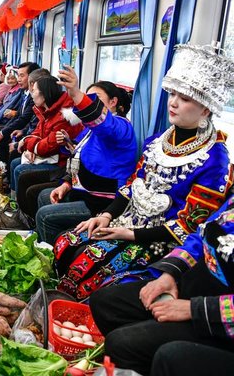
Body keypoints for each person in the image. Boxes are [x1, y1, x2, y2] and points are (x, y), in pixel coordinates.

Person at [54, 44, 234, 300]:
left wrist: (129, 234)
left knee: (89, 263)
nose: (173, 103)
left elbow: (191, 224)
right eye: (172, 94)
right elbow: (130, 186)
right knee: (65, 242)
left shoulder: (215, 160)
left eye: (184, 99)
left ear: (205, 109)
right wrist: (106, 216)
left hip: (163, 240)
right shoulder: (157, 141)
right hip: (126, 220)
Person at [90, 195, 234, 375]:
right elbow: (200, 235)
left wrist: (194, 309)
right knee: (106, 302)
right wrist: (170, 274)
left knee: (128, 345)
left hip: (218, 320)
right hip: (196, 288)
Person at [34, 71, 137, 244]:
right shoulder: (89, 130)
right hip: (84, 190)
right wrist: (66, 184)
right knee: (44, 196)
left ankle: (53, 258)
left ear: (113, 102)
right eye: (88, 97)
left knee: (45, 215)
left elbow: (105, 124)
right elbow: (78, 157)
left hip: (103, 202)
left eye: (95, 97)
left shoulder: (121, 127)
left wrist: (76, 94)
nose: (90, 101)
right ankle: (44, 241)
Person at [10, 75, 83, 195]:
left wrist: (26, 142)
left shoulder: (64, 116)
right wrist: (29, 144)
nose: (32, 93)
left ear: (44, 94)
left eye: (34, 90)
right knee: (15, 163)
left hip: (60, 164)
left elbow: (45, 147)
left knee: (20, 170)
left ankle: (22, 210)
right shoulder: (47, 111)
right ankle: (14, 203)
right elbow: (36, 133)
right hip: (50, 158)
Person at [0, 62, 39, 165]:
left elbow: (24, 119)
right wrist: (2, 132)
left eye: (22, 76)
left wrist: (3, 133)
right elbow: (18, 116)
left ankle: (4, 173)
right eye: (18, 76)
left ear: (32, 78)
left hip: (27, 132)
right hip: (23, 129)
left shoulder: (34, 97)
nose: (19, 79)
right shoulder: (24, 93)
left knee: (3, 141)